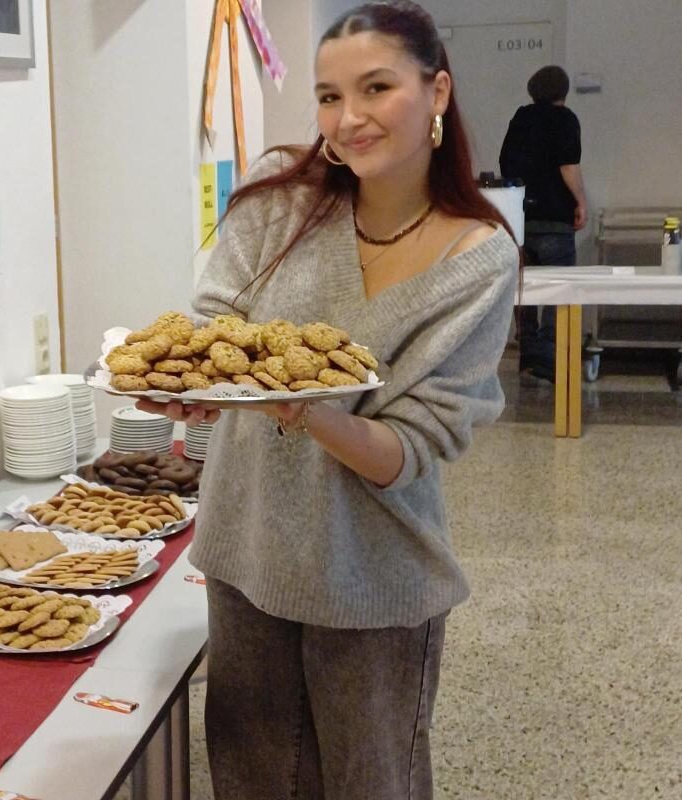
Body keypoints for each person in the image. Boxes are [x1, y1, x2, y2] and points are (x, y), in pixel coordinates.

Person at [138, 3, 519, 797]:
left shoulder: (476, 259)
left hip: (371, 577)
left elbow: (411, 448)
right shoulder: (280, 199)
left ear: (437, 91)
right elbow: (214, 325)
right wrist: (196, 389)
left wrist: (305, 408)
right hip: (247, 552)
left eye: (376, 88)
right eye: (327, 96)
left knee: (369, 781)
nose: (348, 119)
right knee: (252, 778)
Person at [500, 64, 587, 382]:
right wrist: (581, 201)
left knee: (525, 289)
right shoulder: (566, 119)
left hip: (520, 217)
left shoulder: (521, 118)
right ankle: (551, 356)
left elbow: (505, 163)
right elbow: (568, 166)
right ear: (563, 91)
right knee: (557, 289)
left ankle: (528, 352)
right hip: (555, 219)